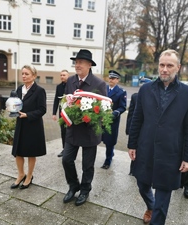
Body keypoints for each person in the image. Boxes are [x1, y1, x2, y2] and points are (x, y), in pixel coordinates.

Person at [127, 49, 188, 224]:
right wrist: (132, 144)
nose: (165, 69)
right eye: (162, 65)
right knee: (142, 184)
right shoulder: (145, 90)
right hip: (146, 148)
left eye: (169, 65)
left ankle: (157, 216)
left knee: (163, 198)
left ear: (178, 67)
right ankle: (151, 204)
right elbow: (137, 119)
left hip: (171, 154)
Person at [62, 49, 107, 206]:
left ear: (89, 65)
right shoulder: (70, 81)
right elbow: (66, 101)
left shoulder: (99, 84)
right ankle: (73, 186)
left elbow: (103, 110)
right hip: (73, 130)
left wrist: (90, 115)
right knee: (67, 159)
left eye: (81, 62)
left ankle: (85, 190)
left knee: (87, 165)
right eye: (76, 62)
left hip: (89, 131)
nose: (77, 65)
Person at [10, 65, 47, 189]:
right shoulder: (19, 89)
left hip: (33, 125)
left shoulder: (39, 91)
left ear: (34, 76)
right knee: (18, 152)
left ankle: (29, 176)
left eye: (27, 74)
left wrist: (28, 115)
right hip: (21, 124)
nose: (24, 76)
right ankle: (21, 174)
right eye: (23, 74)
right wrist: (11, 108)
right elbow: (16, 104)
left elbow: (42, 110)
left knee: (31, 153)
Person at [101, 70, 127, 169]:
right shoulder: (104, 89)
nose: (110, 80)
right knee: (100, 138)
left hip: (112, 120)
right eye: (110, 78)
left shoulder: (121, 92)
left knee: (109, 141)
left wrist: (114, 113)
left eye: (113, 78)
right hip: (102, 119)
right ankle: (110, 154)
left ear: (117, 80)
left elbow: (123, 107)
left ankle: (108, 160)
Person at [52, 70, 69, 157]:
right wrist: (54, 113)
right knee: (63, 131)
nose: (62, 76)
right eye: (61, 75)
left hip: (70, 113)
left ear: (68, 76)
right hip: (62, 113)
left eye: (64, 75)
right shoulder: (59, 86)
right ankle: (64, 149)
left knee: (70, 132)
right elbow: (56, 100)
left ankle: (70, 149)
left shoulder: (71, 85)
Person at [125, 92, 138, 175]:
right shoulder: (135, 96)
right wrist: (128, 129)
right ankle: (133, 170)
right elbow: (131, 114)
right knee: (135, 148)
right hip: (137, 128)